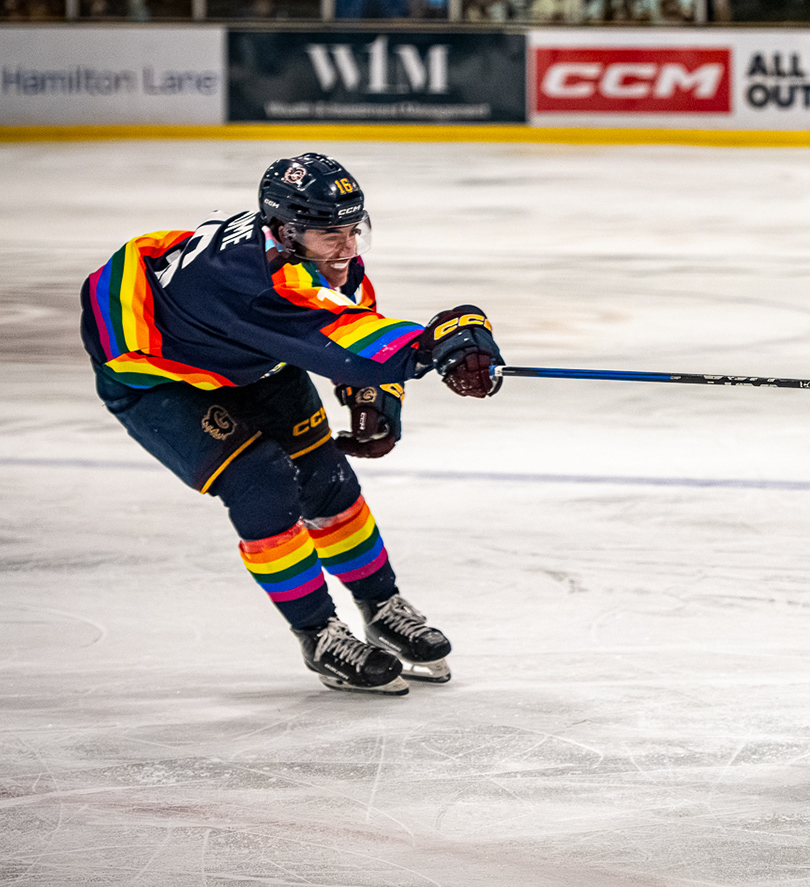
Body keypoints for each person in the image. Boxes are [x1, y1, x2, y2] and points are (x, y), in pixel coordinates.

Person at [80, 154, 504, 695]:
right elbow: (342, 344)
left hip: (249, 354)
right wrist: (442, 341)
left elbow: (353, 321)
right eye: (332, 235)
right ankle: (318, 634)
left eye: (354, 230)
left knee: (326, 477)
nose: (348, 248)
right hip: (159, 377)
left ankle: (381, 606)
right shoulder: (247, 282)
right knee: (261, 482)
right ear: (285, 231)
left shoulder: (311, 255)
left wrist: (375, 399)